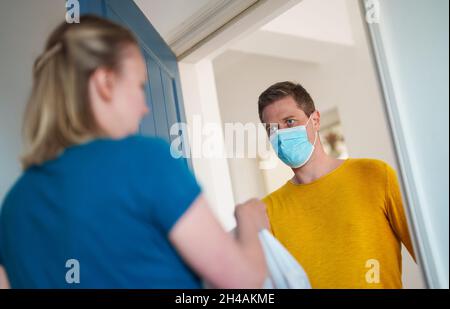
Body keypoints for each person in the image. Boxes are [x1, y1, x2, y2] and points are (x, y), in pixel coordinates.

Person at [0, 16, 268, 289]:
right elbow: (242, 285)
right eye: (139, 86)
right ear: (105, 82)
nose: (145, 107)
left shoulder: (13, 205)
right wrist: (250, 225)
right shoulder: (145, 161)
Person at [258, 81, 415, 288]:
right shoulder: (267, 211)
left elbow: (434, 255)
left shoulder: (375, 175)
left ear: (315, 120)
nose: (281, 135)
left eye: (289, 122)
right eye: (272, 129)